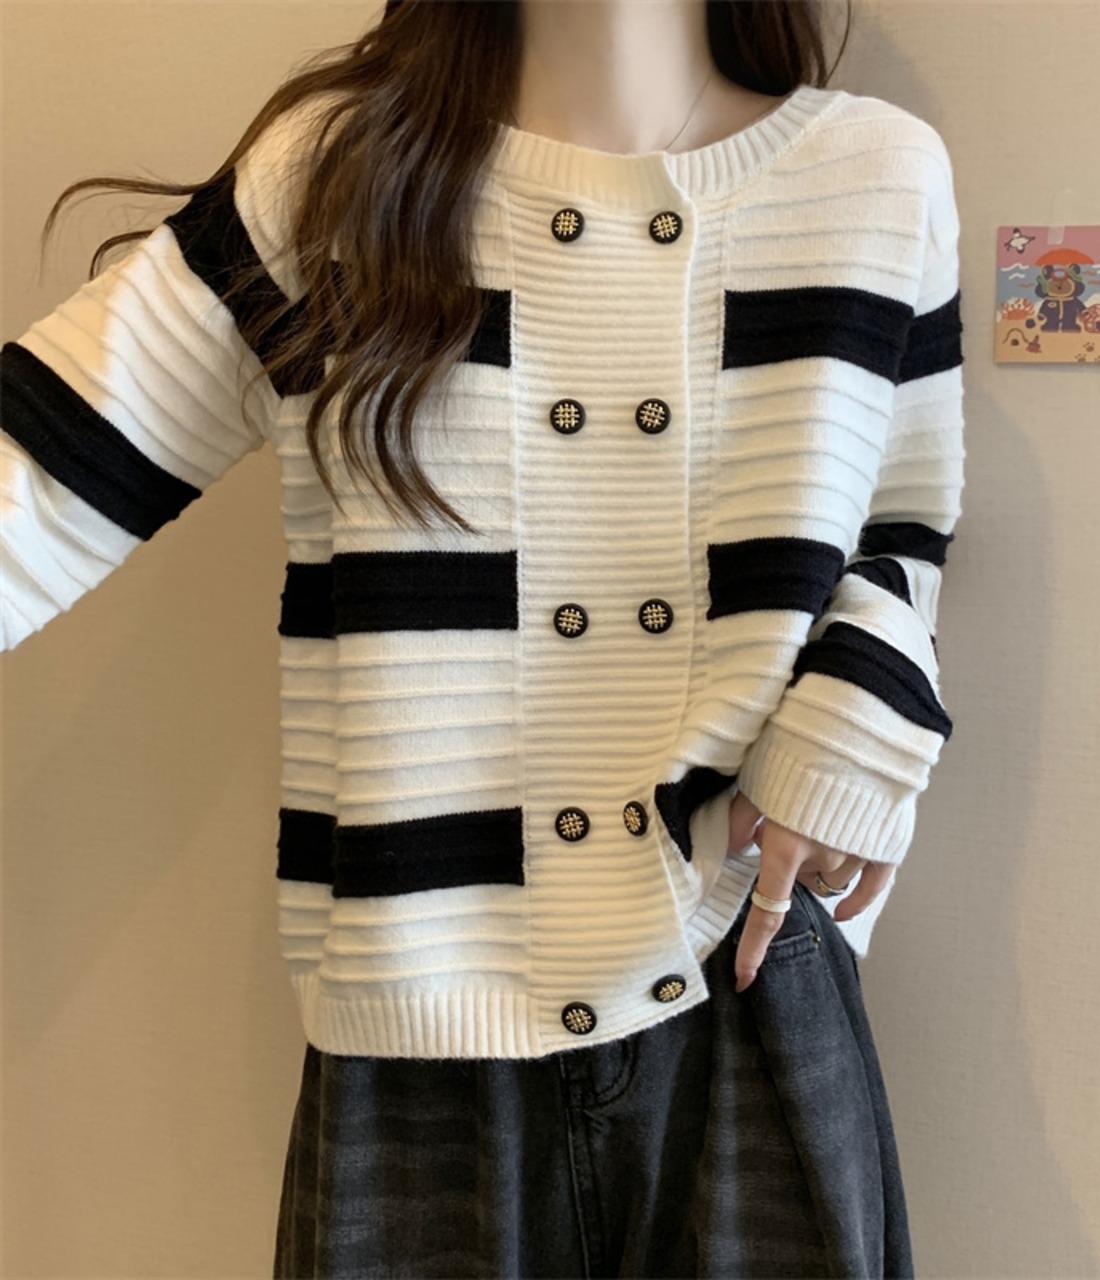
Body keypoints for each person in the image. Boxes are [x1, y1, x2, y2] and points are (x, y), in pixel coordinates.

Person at [0, 0, 965, 1274]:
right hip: (417, 1024)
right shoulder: (336, 178)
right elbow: (39, 475)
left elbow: (904, 526)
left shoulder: (874, 177)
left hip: (744, 981)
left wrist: (847, 742)